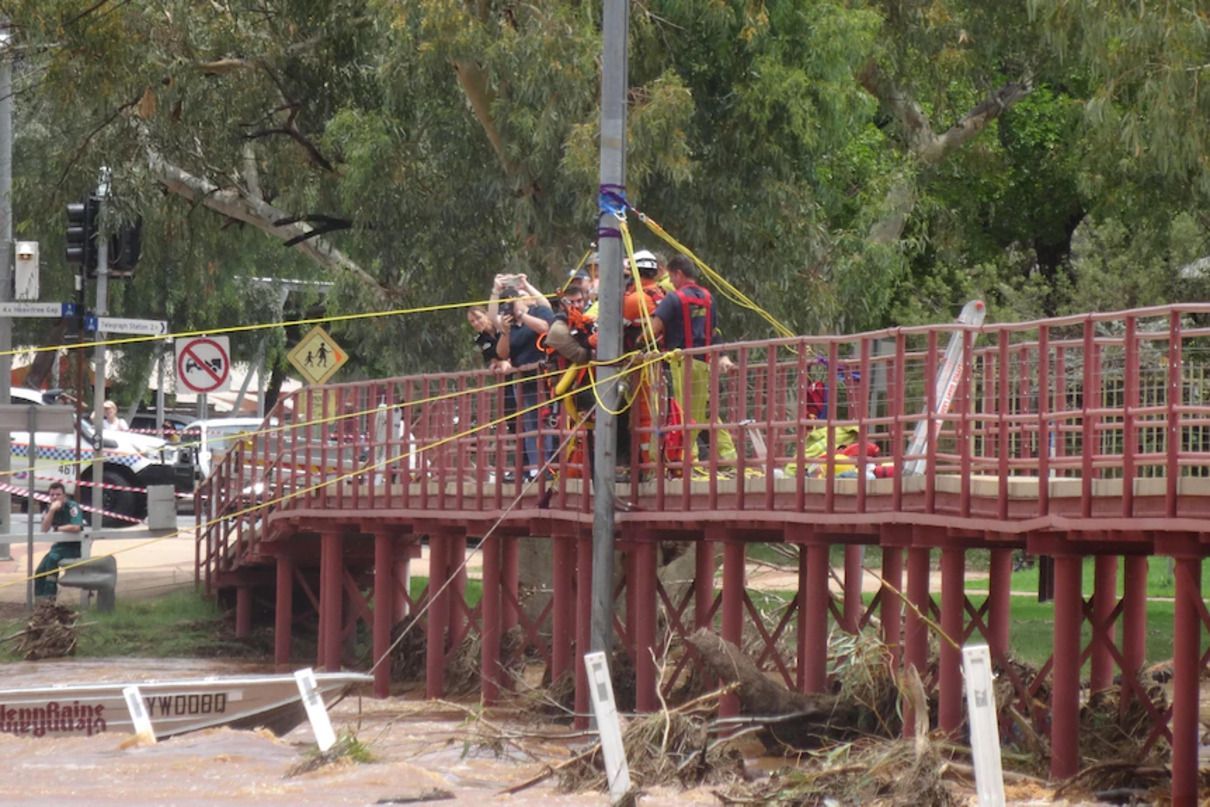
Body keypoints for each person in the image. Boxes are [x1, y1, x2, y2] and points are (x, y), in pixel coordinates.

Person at [650, 253, 738, 468]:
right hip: (702, 364)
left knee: (683, 413)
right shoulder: (708, 298)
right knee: (705, 413)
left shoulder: (673, 298)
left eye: (671, 278)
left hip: (679, 364)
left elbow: (651, 331)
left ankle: (690, 462)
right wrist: (722, 357)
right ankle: (729, 458)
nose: (670, 282)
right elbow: (714, 331)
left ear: (678, 274)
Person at [495, 277, 556, 481]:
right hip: (523, 380)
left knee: (546, 422)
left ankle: (549, 466)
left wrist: (522, 314)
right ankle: (535, 468)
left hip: (545, 377)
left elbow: (546, 327)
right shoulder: (510, 324)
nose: (512, 305)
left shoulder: (538, 311)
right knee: (530, 426)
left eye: (516, 300)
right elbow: (503, 353)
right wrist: (505, 332)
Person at [34, 482, 86, 599]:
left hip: (74, 548)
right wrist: (52, 511)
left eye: (58, 495)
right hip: (58, 547)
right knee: (40, 571)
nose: (55, 498)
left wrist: (58, 528)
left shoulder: (72, 506)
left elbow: (76, 527)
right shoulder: (49, 508)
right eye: (52, 495)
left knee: (52, 560)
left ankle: (49, 599)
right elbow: (44, 529)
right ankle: (39, 603)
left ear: (64, 495)